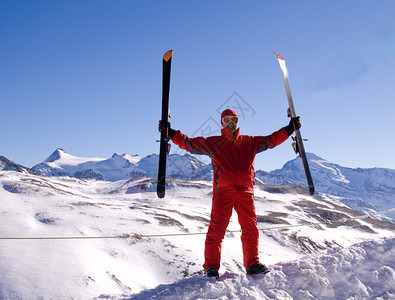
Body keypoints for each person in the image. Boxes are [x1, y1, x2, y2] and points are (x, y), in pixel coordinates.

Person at [158, 108, 301, 277]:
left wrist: (289, 129)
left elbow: (271, 140)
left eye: (233, 119)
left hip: (245, 193)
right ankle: (211, 267)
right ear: (222, 123)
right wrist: (171, 132)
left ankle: (252, 263)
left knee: (250, 229)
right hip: (223, 193)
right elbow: (189, 144)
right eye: (226, 120)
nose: (230, 123)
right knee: (216, 230)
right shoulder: (214, 143)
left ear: (237, 121)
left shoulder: (250, 141)